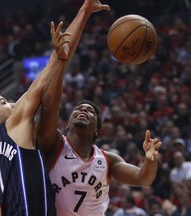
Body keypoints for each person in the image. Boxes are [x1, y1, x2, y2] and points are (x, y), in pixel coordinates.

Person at [36, 4, 162, 216]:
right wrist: (60, 61)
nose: (82, 110)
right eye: (78, 109)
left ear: (97, 130)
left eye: (90, 111)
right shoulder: (54, 145)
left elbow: (143, 178)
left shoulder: (107, 159)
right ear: (66, 124)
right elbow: (50, 106)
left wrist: (149, 160)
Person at [0, 16, 74, 215]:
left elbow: (0, 207)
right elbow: (45, 77)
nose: (13, 104)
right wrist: (59, 55)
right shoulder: (10, 126)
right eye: (3, 102)